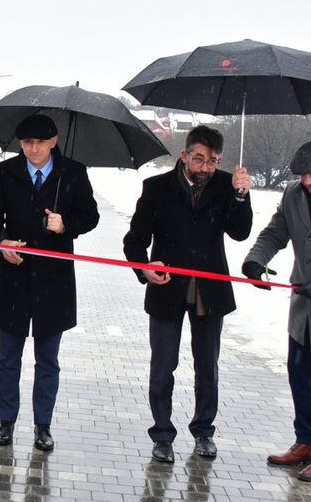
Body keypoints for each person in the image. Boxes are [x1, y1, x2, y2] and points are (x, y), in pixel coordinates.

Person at [123, 125, 252, 463]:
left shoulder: (227, 185)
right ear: (184, 155)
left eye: (213, 161)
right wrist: (144, 267)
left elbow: (240, 232)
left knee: (207, 366)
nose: (205, 167)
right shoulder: (156, 188)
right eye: (199, 159)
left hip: (210, 291)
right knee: (163, 365)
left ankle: (204, 431)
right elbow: (134, 241)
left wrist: (241, 197)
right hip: (166, 289)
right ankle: (162, 434)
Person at [0, 114, 99, 451]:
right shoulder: (6, 172)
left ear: (54, 142)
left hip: (54, 281)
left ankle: (42, 425)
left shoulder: (73, 173)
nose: (32, 149)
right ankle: (6, 421)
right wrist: (1, 243)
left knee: (48, 359)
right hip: (14, 279)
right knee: (8, 358)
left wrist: (66, 225)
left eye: (39, 143)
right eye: (26, 143)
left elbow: (90, 216)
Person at [242, 141, 311, 481]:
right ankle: (306, 441)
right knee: (300, 374)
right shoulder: (293, 195)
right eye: (303, 175)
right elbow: (274, 233)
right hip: (303, 309)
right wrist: (255, 262)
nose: (308, 181)